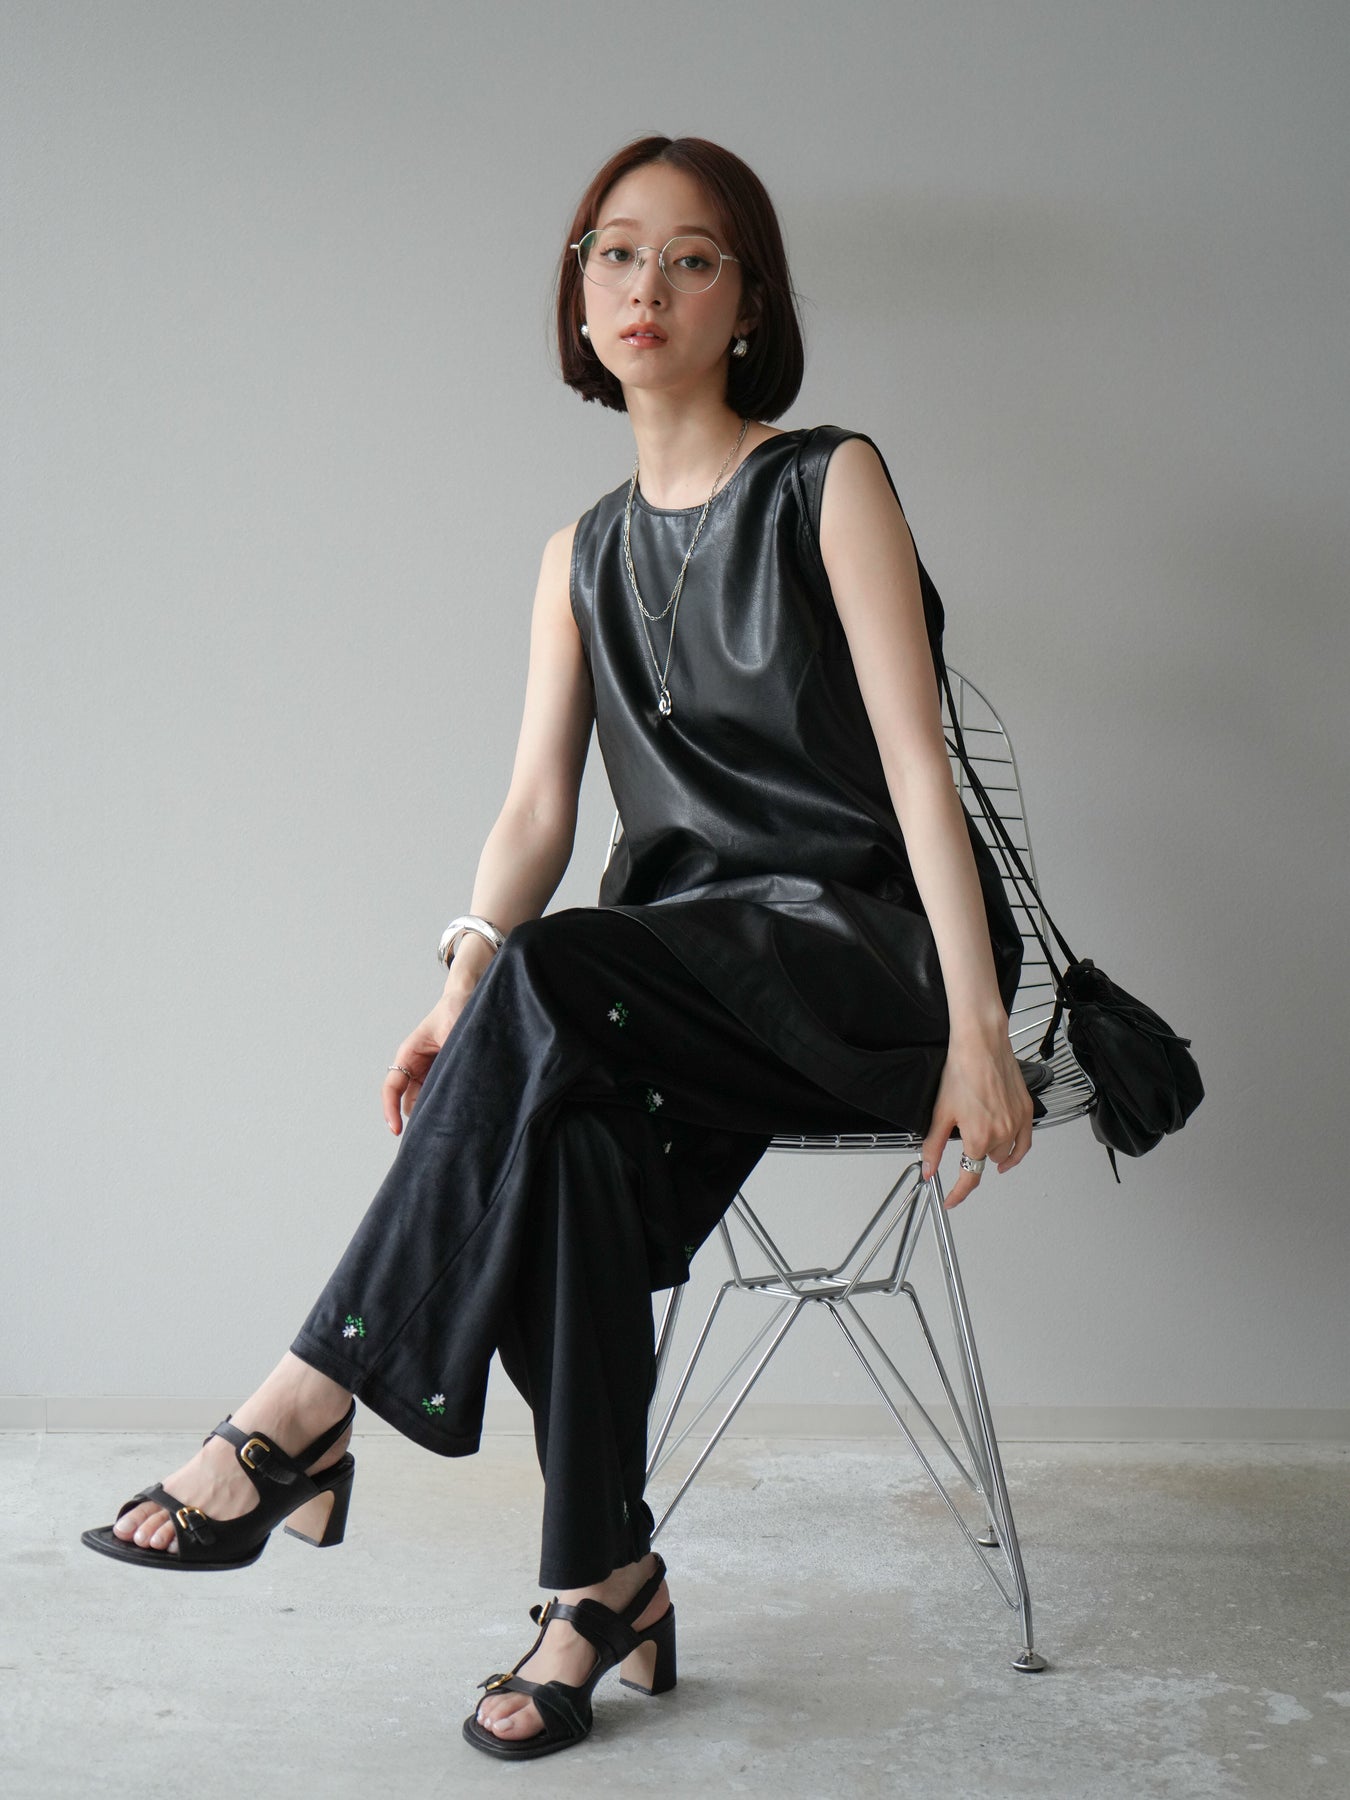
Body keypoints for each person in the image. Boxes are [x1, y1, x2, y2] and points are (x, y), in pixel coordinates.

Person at [81, 134, 1038, 1761]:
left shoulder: (828, 480)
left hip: (862, 960)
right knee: (568, 1141)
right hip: (679, 985)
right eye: (614, 252)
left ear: (748, 303)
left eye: (691, 257)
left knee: (554, 981)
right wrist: (454, 987)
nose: (645, 284)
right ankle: (602, 1586)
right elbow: (537, 806)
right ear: (579, 294)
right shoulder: (578, 552)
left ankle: (300, 1409)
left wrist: (975, 1027)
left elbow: (910, 764)